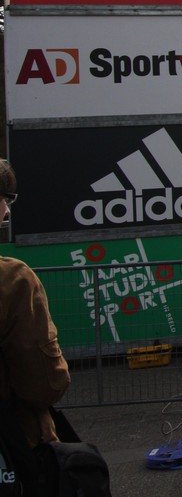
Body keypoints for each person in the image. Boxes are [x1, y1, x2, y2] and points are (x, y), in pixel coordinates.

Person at [0, 159, 72, 450]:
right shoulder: (13, 280)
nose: (7, 210)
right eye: (4, 199)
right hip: (14, 446)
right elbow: (44, 386)